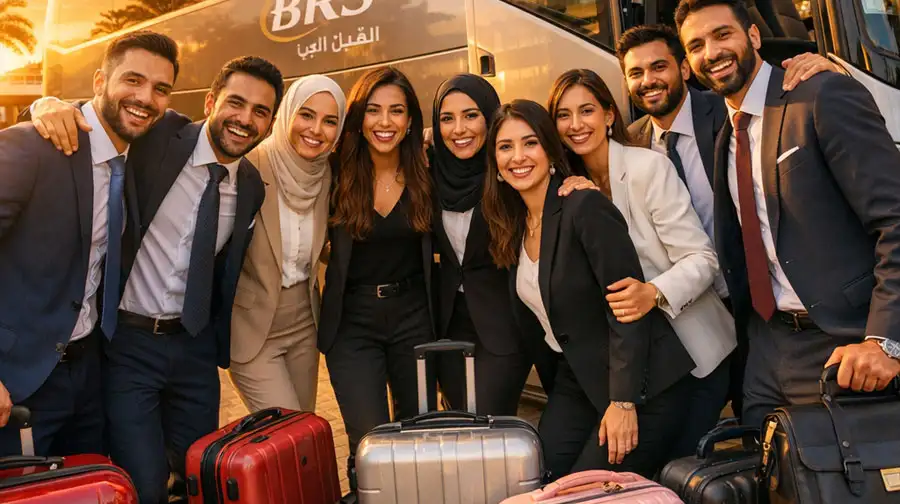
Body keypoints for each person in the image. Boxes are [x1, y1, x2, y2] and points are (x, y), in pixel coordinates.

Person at [29, 56, 278, 504]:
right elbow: (107, 112)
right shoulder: (159, 138)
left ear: (270, 123)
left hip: (194, 350)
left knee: (202, 478)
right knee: (144, 485)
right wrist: (45, 104)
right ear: (210, 101)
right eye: (236, 103)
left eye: (260, 112)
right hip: (130, 345)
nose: (245, 119)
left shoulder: (252, 186)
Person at [675, 0, 900, 427]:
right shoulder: (726, 133)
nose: (711, 52)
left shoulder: (821, 94)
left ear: (754, 37)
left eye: (723, 34)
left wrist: (885, 341)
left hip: (843, 344)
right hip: (766, 350)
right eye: (696, 45)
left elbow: (896, 219)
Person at [617, 24, 843, 424]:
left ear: (685, 69)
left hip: (753, 300)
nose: (648, 81)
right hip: (692, 308)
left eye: (658, 67)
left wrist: (826, 68)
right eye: (635, 73)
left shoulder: (726, 110)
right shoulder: (632, 143)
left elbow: (780, 95)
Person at [482, 98, 696, 479]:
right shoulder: (512, 224)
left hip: (641, 385)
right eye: (505, 147)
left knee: (586, 489)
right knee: (537, 474)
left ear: (550, 150)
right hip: (577, 379)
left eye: (530, 143)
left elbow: (626, 308)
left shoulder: (583, 207)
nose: (518, 156)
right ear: (495, 165)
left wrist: (623, 402)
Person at [0, 31, 178, 457]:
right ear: (99, 82)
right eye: (132, 80)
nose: (145, 98)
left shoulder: (142, 152)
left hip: (91, 374)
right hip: (19, 380)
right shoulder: (33, 146)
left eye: (160, 89)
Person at [547, 68, 735, 459]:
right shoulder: (562, 185)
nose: (576, 125)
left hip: (692, 355)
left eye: (587, 111)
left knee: (678, 473)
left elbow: (702, 259)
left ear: (609, 115)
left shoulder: (648, 168)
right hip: (631, 368)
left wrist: (653, 292)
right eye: (563, 115)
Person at [318, 67, 436, 493]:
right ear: (358, 117)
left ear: (410, 121)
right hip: (353, 322)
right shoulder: (333, 171)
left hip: (414, 317)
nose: (385, 122)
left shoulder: (428, 170)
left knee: (417, 433)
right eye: (374, 110)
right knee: (368, 441)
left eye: (397, 111)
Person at [228, 75, 346, 414]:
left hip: (304, 324)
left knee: (304, 431)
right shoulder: (248, 166)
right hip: (253, 329)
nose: (316, 129)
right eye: (306, 115)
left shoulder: (326, 173)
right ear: (287, 113)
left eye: (329, 121)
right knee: (288, 430)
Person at [429, 74, 531, 416]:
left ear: (490, 116)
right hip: (448, 328)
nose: (459, 129)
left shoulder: (510, 170)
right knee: (460, 424)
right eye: (447, 118)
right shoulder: (428, 173)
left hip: (503, 325)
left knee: (491, 423)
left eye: (471, 115)